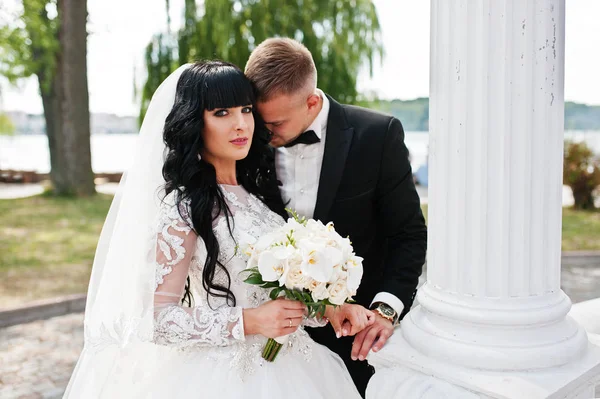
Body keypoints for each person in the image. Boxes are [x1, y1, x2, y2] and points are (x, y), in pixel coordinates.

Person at [64, 61, 370, 398]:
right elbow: (158, 319)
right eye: (222, 112)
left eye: (247, 110)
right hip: (224, 378)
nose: (241, 125)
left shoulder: (258, 196)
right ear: (195, 122)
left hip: (294, 367)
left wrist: (328, 309)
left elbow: (273, 295)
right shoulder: (184, 207)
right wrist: (249, 321)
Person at [245, 38, 428, 396]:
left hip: (354, 339)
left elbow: (407, 234)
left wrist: (386, 311)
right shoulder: (248, 141)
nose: (262, 135)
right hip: (267, 342)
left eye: (276, 124)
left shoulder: (377, 135)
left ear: (312, 101)